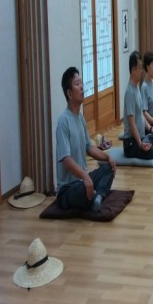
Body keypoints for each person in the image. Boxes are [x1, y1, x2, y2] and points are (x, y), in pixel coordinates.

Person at [56, 66, 116, 212]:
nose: (82, 86)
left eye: (81, 82)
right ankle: (95, 194)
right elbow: (66, 160)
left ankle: (97, 197)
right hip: (68, 188)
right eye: (77, 84)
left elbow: (89, 147)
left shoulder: (80, 118)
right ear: (69, 93)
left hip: (82, 180)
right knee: (83, 189)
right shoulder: (63, 121)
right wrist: (86, 177)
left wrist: (107, 157)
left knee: (109, 168)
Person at [122, 50, 153, 160]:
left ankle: (146, 141)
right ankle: (144, 143)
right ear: (133, 69)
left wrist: (150, 128)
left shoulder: (137, 87)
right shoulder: (130, 92)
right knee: (150, 153)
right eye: (139, 68)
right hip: (131, 142)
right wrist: (140, 144)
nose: (141, 71)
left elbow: (141, 115)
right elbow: (132, 123)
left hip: (141, 136)